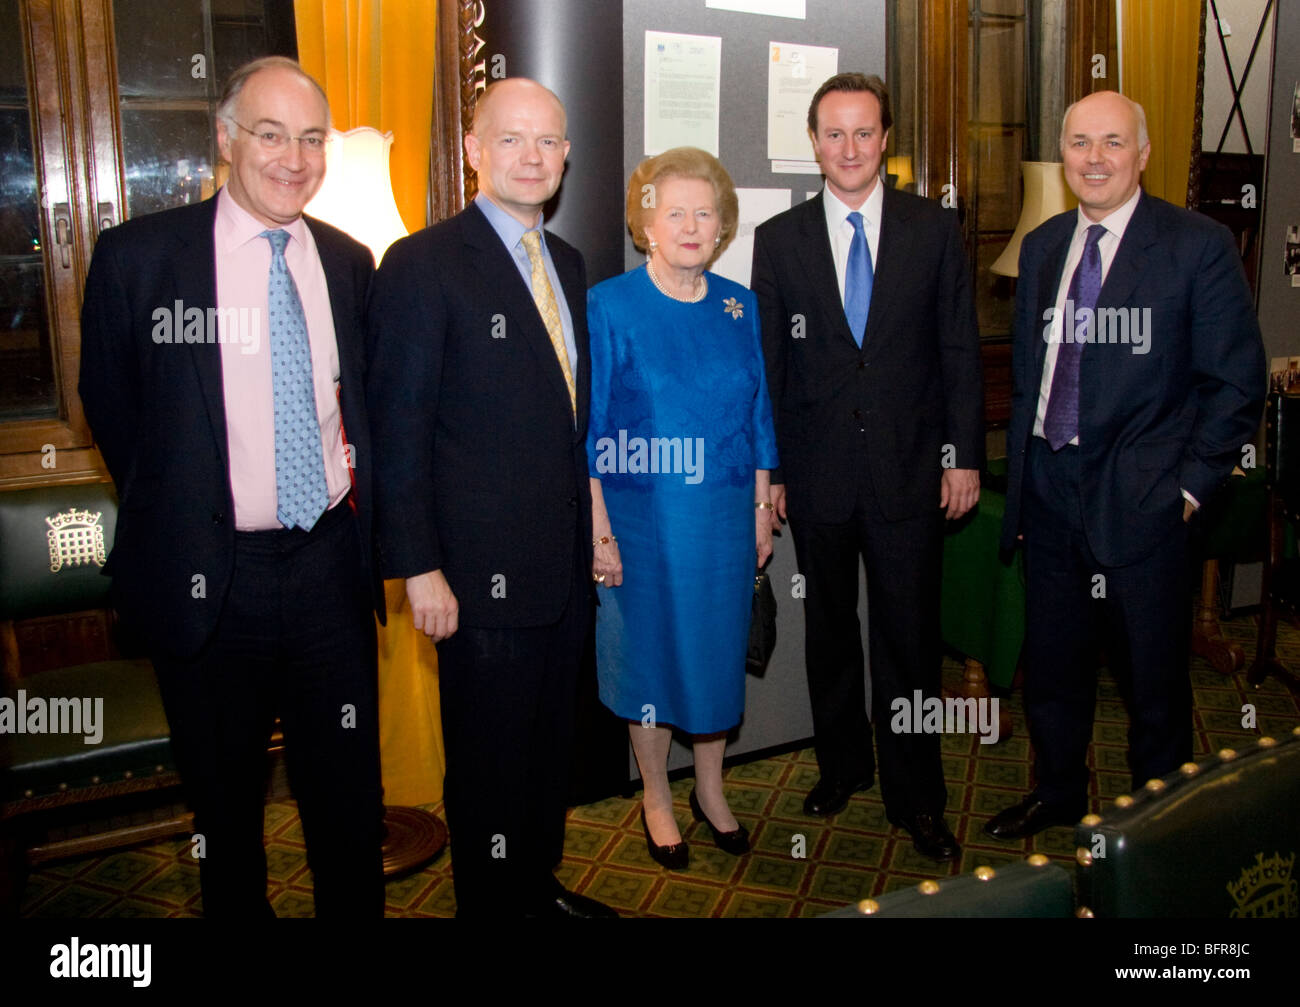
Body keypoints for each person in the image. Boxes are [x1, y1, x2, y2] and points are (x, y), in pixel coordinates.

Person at [78, 57, 385, 916]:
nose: (295, 157)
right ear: (224, 137)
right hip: (208, 579)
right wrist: (193, 507)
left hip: (328, 569)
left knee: (348, 807)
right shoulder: (140, 260)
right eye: (271, 133)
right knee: (225, 817)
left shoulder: (350, 262)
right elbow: (112, 408)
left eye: (312, 137)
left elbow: (357, 411)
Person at [366, 77, 615, 918]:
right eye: (511, 139)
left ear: (567, 155)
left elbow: (566, 423)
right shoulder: (422, 263)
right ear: (473, 150)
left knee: (549, 751)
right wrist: (420, 568)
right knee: (487, 761)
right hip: (475, 578)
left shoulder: (570, 262)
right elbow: (397, 431)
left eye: (548, 141)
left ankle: (535, 888)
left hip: (560, 568)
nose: (533, 156)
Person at [988, 90, 1266, 840]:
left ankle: (1156, 826)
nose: (1095, 158)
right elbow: (1031, 376)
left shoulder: (1196, 245)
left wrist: (1187, 487)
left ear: (1144, 154)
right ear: (1063, 153)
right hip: (1048, 489)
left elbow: (1236, 381)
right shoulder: (1045, 246)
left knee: (1152, 683)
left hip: (1143, 501)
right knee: (1052, 666)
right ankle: (1057, 792)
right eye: (1080, 142)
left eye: (1113, 142)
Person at [751, 72, 982, 862]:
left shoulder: (933, 228)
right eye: (833, 133)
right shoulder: (778, 241)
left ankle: (917, 795)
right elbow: (770, 368)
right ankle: (843, 764)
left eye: (864, 132)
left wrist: (963, 457)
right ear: (813, 142)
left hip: (912, 472)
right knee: (828, 631)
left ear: (886, 139)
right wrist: (770, 470)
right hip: (816, 478)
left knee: (909, 640)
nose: (849, 148)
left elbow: (958, 350)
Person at [588, 148, 780, 869]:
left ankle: (710, 787)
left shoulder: (740, 305)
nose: (693, 225)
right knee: (648, 662)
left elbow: (761, 413)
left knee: (713, 657)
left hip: (725, 518)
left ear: (723, 224)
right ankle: (656, 797)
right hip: (645, 524)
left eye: (706, 212)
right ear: (647, 221)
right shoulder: (612, 304)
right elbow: (594, 428)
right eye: (676, 211)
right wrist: (600, 527)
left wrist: (762, 507)